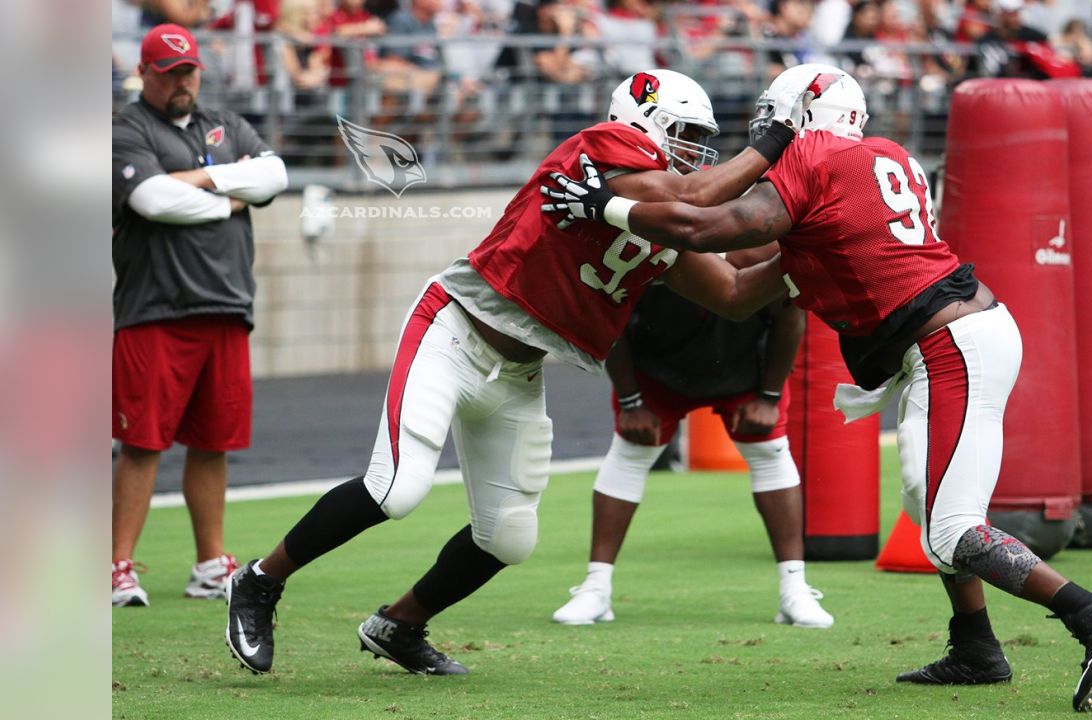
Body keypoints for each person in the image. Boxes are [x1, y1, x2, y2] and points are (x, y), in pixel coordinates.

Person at [540, 63, 1092, 713]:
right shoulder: (879, 157)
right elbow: (746, 293)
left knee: (951, 531)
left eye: (774, 121)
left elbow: (711, 228)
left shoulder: (811, 157)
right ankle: (974, 645)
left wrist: (604, 205)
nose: (765, 134)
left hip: (952, 346)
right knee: (927, 500)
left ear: (795, 118)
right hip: (949, 341)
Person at [223, 68, 815, 677]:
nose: (696, 149)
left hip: (519, 372)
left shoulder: (663, 220)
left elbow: (739, 294)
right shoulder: (599, 147)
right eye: (686, 133)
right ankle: (260, 581)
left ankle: (398, 625)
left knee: (508, 536)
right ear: (645, 120)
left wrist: (812, 250)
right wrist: (772, 143)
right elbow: (690, 200)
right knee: (395, 488)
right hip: (455, 330)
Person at [551, 247, 834, 628]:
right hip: (657, 370)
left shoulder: (758, 245)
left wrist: (768, 396)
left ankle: (794, 589)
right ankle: (595, 588)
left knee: (769, 452)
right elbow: (610, 321)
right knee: (630, 454)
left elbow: (790, 316)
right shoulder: (646, 245)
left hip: (742, 368)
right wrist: (632, 400)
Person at [111, 24, 289, 607]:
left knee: (214, 442)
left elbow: (275, 176)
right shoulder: (125, 129)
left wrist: (201, 180)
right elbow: (151, 201)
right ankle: (116, 566)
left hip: (227, 305)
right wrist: (233, 194)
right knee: (143, 442)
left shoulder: (226, 124)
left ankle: (211, 563)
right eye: (170, 72)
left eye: (189, 71)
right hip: (156, 308)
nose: (183, 81)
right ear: (148, 73)